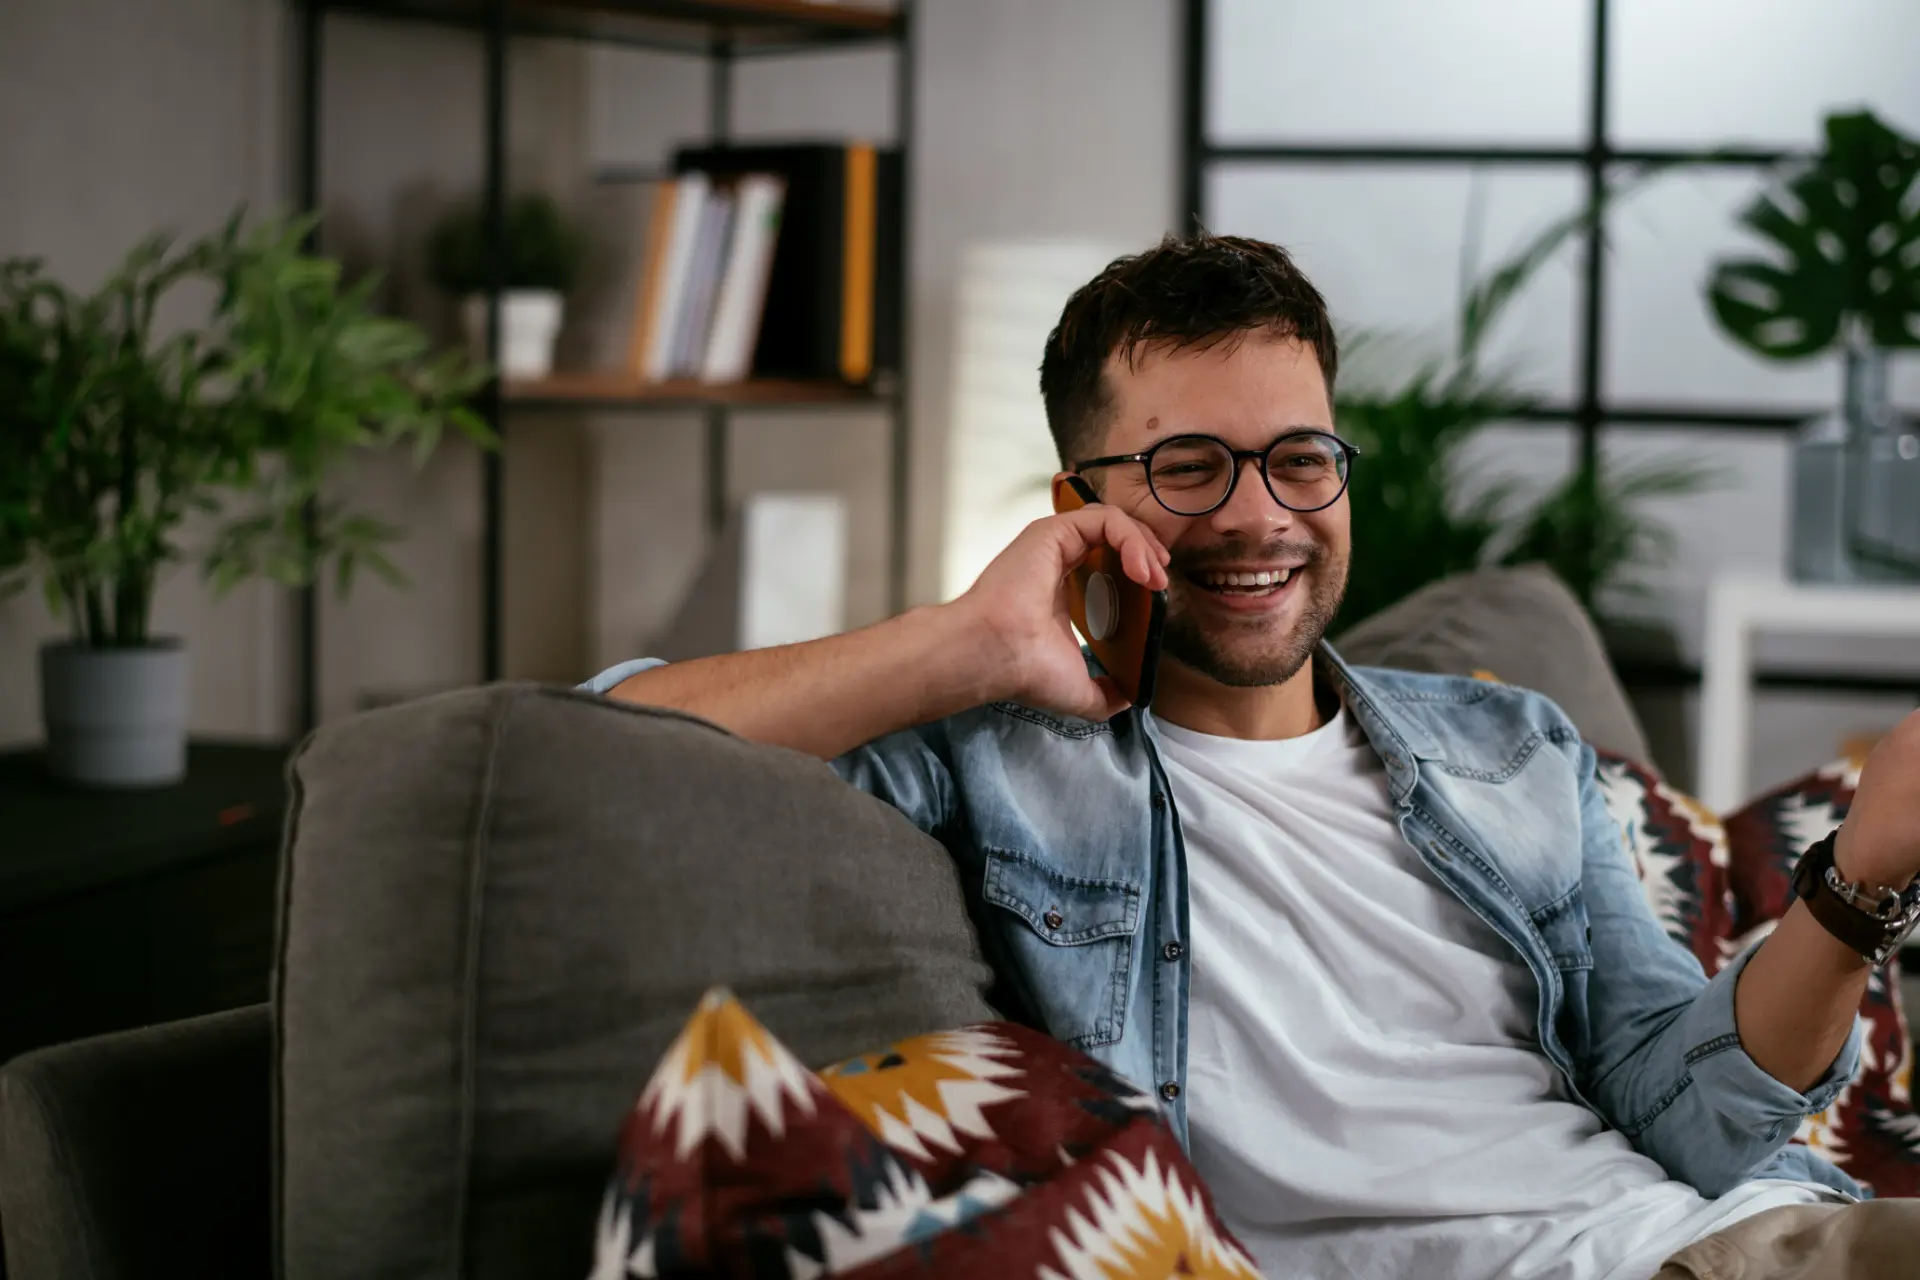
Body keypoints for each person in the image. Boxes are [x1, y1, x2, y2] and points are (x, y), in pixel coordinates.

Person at [584, 234, 1920, 1280]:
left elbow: (1687, 1116)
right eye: (1188, 468)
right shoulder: (990, 764)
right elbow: (604, 736)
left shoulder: (1508, 745)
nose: (1258, 516)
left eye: (1298, 459)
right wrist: (964, 640)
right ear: (1079, 505)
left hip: (1739, 1237)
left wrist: (1859, 872)